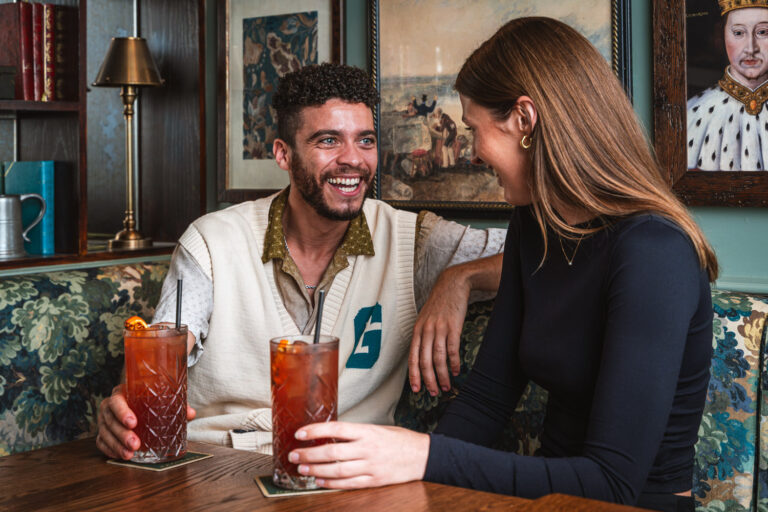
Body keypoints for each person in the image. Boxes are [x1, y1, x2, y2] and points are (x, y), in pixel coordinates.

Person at [289, 18, 718, 512]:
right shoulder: (534, 224)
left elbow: (611, 482)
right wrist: (399, 474)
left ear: (524, 119)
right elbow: (487, 400)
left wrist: (422, 456)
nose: (472, 154)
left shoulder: (654, 252)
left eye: (474, 130)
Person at [95, 63, 505, 459]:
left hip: (347, 476)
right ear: (283, 155)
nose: (353, 160)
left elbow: (542, 257)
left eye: (365, 140)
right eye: (328, 141)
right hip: (217, 466)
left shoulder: (413, 239)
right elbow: (163, 349)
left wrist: (461, 277)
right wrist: (124, 404)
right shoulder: (212, 241)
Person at [687, 1, 768, 171]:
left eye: (762, 32)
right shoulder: (694, 113)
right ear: (721, 36)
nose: (751, 48)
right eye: (738, 33)